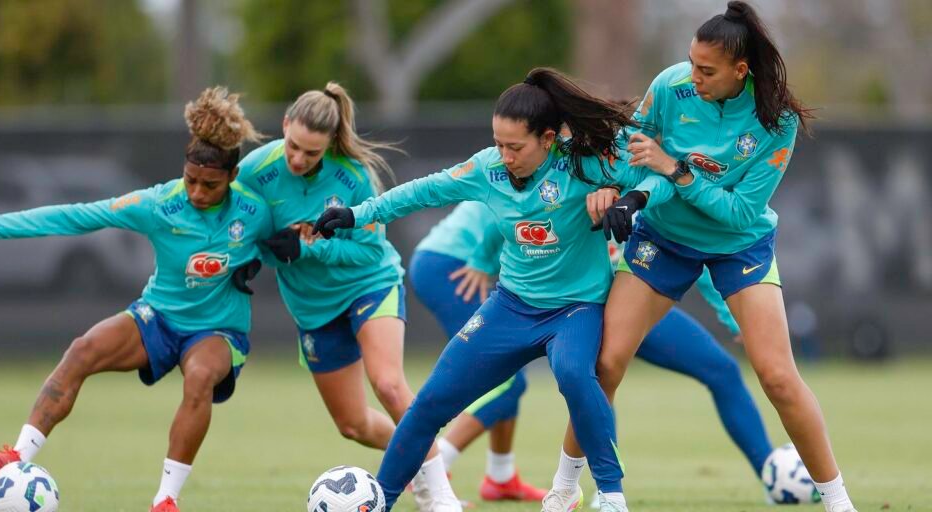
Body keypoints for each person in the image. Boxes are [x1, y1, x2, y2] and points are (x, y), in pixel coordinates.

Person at [314, 66, 675, 512]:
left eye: (514, 146)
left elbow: (658, 178)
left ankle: (611, 496)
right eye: (498, 143)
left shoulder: (584, 162)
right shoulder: (487, 168)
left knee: (575, 375)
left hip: (576, 309)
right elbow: (423, 192)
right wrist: (357, 213)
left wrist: (628, 199)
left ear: (548, 138)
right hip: (511, 307)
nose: (503, 155)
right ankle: (380, 502)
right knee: (428, 403)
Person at [569, 2, 857, 511]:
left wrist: (678, 173)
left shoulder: (777, 122)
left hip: (737, 246)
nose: (693, 77)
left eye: (706, 70)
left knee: (778, 378)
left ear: (739, 72)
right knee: (605, 364)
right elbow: (631, 152)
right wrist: (616, 190)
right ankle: (567, 491)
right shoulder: (670, 85)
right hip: (664, 237)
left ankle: (838, 503)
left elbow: (741, 214)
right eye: (691, 63)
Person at [0, 87, 270, 512]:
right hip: (157, 316)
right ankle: (17, 458)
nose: (196, 192)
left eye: (209, 185)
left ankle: (165, 499)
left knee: (199, 379)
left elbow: (293, 240)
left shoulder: (256, 211)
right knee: (82, 350)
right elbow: (76, 215)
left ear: (231, 177)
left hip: (218, 330)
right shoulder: (159, 203)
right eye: (190, 180)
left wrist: (275, 253)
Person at [233, 82, 460, 510]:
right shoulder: (254, 171)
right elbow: (242, 228)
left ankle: (439, 495)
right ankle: (421, 456)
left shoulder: (353, 177)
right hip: (313, 308)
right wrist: (251, 256)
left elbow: (368, 249)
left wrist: (311, 247)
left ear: (330, 146)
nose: (299, 159)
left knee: (390, 386)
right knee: (353, 425)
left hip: (369, 284)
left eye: (312, 153)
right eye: (294, 147)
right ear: (284, 126)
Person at [410, 201, 548, 502]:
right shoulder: (542, 169)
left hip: (443, 259)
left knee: (507, 373)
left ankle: (501, 476)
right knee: (508, 380)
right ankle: (433, 467)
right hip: (452, 264)